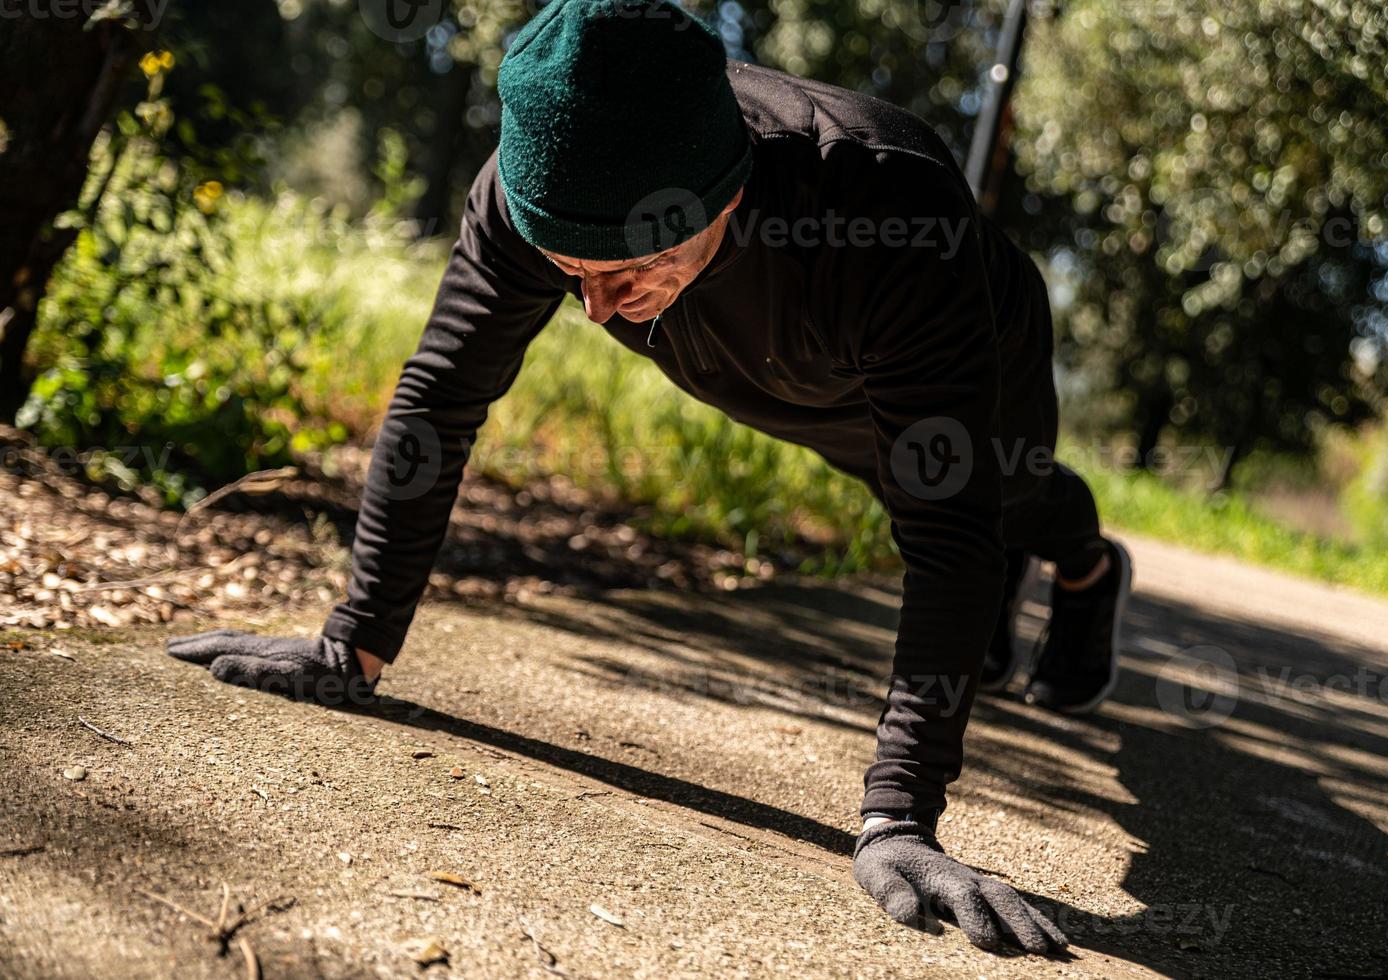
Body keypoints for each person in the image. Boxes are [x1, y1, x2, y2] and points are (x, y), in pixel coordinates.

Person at [165, 0, 1133, 957]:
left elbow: (947, 532)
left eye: (627, 268)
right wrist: (353, 644)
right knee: (907, 501)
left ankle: (1087, 572)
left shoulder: (890, 210)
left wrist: (899, 818)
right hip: (786, 371)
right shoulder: (537, 183)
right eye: (568, 268)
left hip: (963, 358)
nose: (594, 310)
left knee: (1004, 507)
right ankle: (1002, 609)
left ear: (723, 190)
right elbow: (442, 395)